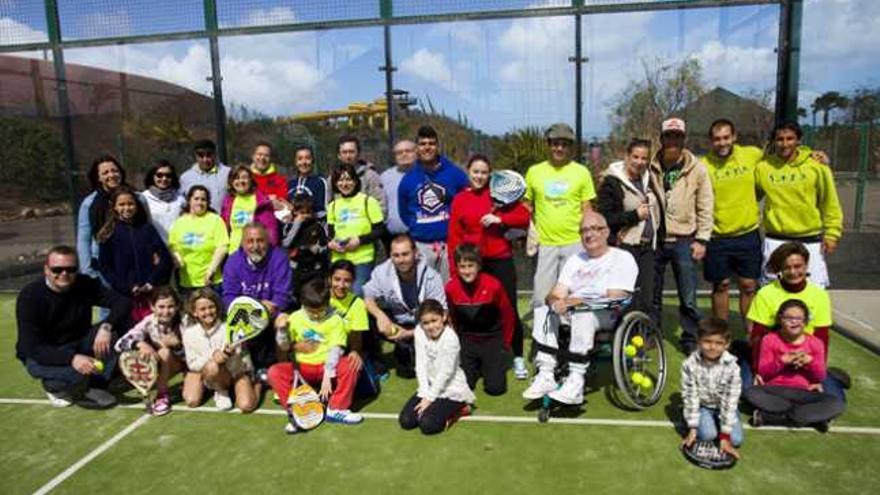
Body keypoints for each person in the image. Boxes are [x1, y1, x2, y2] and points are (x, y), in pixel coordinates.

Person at [523, 212, 638, 405]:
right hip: (574, 309)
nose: (589, 234)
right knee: (543, 310)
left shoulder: (621, 257)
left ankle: (575, 381)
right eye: (584, 230)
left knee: (582, 315)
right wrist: (555, 302)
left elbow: (616, 298)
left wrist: (577, 303)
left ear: (606, 232)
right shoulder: (576, 259)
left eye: (594, 229)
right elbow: (556, 292)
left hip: (607, 313)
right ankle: (546, 374)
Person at [447, 154, 531, 379]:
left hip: (500, 259)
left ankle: (517, 356)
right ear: (468, 172)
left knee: (509, 308)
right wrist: (456, 271)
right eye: (475, 172)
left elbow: (524, 217)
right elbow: (454, 238)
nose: (479, 176)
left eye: (484, 172)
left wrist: (500, 220)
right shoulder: (460, 200)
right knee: (477, 312)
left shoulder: (498, 194)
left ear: (490, 174)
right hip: (473, 265)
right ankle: (481, 356)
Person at [16, 246, 131, 408]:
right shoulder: (30, 296)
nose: (64, 274)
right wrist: (72, 359)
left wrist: (107, 326)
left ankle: (97, 384)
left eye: (71, 269)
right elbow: (32, 347)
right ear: (46, 270)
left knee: (114, 331)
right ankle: (53, 386)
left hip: (78, 344)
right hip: (42, 355)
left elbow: (122, 302)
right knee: (77, 374)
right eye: (57, 269)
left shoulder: (84, 284)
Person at [745, 242, 844, 401]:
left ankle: (832, 377)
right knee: (747, 391)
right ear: (780, 270)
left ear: (806, 266)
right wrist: (758, 370)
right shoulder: (765, 293)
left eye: (798, 266)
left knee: (836, 398)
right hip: (772, 359)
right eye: (787, 267)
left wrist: (816, 375)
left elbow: (822, 336)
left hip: (806, 358)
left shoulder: (819, 295)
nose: (793, 272)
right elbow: (758, 335)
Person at [649, 117, 713, 354]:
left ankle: (690, 339)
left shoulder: (697, 168)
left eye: (677, 136)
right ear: (662, 138)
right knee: (651, 293)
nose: (672, 140)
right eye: (668, 136)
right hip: (655, 239)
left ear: (683, 139)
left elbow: (706, 205)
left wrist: (702, 239)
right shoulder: (649, 165)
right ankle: (651, 335)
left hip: (685, 239)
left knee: (688, 296)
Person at [756, 121, 843, 288]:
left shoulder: (816, 166)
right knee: (774, 292)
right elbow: (752, 195)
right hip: (776, 240)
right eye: (780, 139)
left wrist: (832, 233)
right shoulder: (763, 168)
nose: (785, 143)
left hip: (810, 241)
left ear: (798, 141)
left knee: (813, 292)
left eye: (790, 138)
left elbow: (830, 202)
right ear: (774, 141)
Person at [269, 278, 364, 431]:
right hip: (301, 368)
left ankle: (336, 409)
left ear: (327, 303)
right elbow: (285, 346)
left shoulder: (335, 320)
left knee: (350, 365)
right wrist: (281, 331)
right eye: (311, 312)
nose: (316, 316)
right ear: (303, 304)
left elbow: (336, 349)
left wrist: (328, 375)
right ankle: (297, 413)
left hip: (326, 367)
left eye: (321, 311)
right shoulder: (294, 318)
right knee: (274, 372)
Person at [524, 123, 597, 309]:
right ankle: (542, 337)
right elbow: (526, 206)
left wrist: (589, 237)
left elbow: (587, 208)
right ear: (548, 145)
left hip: (575, 242)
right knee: (542, 295)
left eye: (564, 144)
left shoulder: (582, 172)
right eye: (555, 143)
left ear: (570, 147)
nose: (559, 148)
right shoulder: (534, 172)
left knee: (573, 294)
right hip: (545, 244)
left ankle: (570, 335)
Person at [746, 299, 845, 430]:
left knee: (836, 404)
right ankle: (812, 418)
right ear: (780, 319)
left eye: (799, 318)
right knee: (751, 393)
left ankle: (773, 418)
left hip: (804, 392)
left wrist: (809, 362)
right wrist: (783, 360)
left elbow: (820, 377)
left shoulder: (816, 343)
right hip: (774, 391)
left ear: (805, 321)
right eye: (789, 318)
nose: (794, 322)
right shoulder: (769, 339)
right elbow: (763, 372)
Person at [363, 234, 447, 378]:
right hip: (396, 321)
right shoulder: (382, 271)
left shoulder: (432, 277)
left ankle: (410, 349)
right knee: (363, 315)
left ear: (416, 253)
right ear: (390, 256)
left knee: (411, 372)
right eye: (396, 255)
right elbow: (367, 297)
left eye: (405, 254)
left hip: (422, 325)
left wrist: (407, 334)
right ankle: (378, 367)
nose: (401, 260)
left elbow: (442, 316)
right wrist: (380, 315)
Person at [597, 138, 661, 314]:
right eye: (635, 157)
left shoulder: (649, 179)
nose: (639, 162)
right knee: (625, 298)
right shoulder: (611, 182)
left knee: (647, 299)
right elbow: (605, 218)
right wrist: (634, 216)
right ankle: (621, 338)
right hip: (624, 247)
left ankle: (644, 337)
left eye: (643, 158)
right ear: (627, 156)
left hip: (648, 248)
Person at [398, 125, 469, 279]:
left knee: (451, 292)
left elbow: (467, 201)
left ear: (437, 146)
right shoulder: (408, 179)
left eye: (431, 143)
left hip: (450, 244)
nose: (427, 147)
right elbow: (404, 212)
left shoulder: (455, 174)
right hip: (421, 245)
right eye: (423, 144)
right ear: (417, 148)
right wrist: (418, 226)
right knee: (424, 293)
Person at [445, 243, 515, 396]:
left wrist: (505, 343)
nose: (467, 271)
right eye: (462, 266)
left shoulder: (494, 285)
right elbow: (452, 315)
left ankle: (489, 364)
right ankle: (475, 366)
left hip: (491, 339)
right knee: (465, 386)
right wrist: (458, 341)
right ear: (456, 267)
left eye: (471, 266)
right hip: (468, 339)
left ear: (479, 265)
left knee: (495, 389)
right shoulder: (451, 287)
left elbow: (507, 315)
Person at [222, 222, 292, 374]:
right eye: (250, 241)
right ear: (242, 243)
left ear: (267, 241)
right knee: (235, 325)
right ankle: (248, 373)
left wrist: (268, 309)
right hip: (247, 313)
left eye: (260, 240)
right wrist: (256, 307)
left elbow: (283, 295)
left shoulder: (279, 257)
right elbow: (228, 297)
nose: (255, 246)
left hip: (274, 310)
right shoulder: (233, 262)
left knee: (283, 323)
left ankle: (283, 371)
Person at [96, 186, 173, 322]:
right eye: (122, 204)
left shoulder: (147, 229)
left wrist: (152, 282)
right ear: (114, 207)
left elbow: (165, 258)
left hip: (150, 294)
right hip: (125, 295)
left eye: (130, 204)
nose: (127, 208)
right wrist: (127, 286)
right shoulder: (108, 233)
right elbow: (105, 266)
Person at [399, 299, 475, 435]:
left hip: (450, 388)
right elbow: (420, 364)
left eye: (434, 320)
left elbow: (445, 373)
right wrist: (423, 392)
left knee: (428, 426)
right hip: (429, 386)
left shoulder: (451, 338)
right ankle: (434, 405)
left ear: (443, 317)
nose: (430, 326)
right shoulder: (419, 332)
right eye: (426, 323)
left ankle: (461, 408)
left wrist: (429, 399)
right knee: (406, 421)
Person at [181, 288, 257, 412]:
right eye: (202, 309)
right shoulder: (189, 333)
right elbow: (192, 364)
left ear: (217, 307)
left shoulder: (230, 328)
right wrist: (213, 357)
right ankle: (218, 389)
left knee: (246, 406)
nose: (208, 312)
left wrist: (229, 354)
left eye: (211, 307)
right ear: (194, 312)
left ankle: (256, 384)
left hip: (234, 373)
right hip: (204, 372)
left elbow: (240, 356)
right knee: (191, 400)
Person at [114, 286, 186, 416]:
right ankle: (162, 394)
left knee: (192, 398)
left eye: (170, 306)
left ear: (177, 307)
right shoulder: (149, 322)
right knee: (163, 352)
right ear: (152, 307)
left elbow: (195, 353)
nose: (166, 311)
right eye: (161, 307)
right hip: (166, 363)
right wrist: (139, 343)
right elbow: (119, 344)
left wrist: (178, 346)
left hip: (189, 364)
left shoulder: (185, 321)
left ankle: (165, 391)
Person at [680, 318, 743, 460]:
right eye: (707, 341)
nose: (712, 347)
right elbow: (690, 396)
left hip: (724, 406)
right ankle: (695, 421)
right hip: (702, 407)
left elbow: (730, 400)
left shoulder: (733, 367)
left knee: (736, 440)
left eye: (719, 343)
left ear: (727, 344)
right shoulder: (689, 365)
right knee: (707, 435)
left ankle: (729, 419)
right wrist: (693, 428)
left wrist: (725, 435)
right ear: (699, 342)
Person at [327, 162, 385, 296]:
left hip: (362, 258)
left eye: (348, 179)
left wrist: (359, 240)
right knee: (338, 293)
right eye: (340, 180)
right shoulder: (333, 206)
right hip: (339, 258)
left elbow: (379, 230)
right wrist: (331, 243)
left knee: (358, 292)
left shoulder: (368, 202)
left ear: (355, 181)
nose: (344, 184)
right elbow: (330, 234)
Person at [168, 186, 229, 296]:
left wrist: (211, 270)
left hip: (211, 281)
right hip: (187, 282)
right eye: (196, 199)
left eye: (203, 199)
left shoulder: (215, 220)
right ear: (189, 200)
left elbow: (222, 247)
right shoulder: (179, 222)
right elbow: (172, 246)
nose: (200, 202)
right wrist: (177, 259)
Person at [77, 154, 127, 278]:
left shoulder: (137, 198)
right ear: (98, 178)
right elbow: (84, 239)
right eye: (105, 173)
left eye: (114, 170)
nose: (111, 175)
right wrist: (87, 270)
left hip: (132, 262)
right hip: (102, 265)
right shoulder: (89, 203)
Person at [221, 165, 279, 253]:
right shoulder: (228, 202)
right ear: (231, 182)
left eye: (244, 177)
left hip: (255, 254)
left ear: (251, 180)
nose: (241, 181)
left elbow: (271, 232)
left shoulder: (261, 201)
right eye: (236, 178)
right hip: (233, 255)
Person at [280, 195, 329, 300]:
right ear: (295, 212)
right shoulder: (289, 226)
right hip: (295, 268)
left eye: (308, 213)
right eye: (301, 213)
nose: (305, 216)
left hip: (313, 268)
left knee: (312, 295)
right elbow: (286, 243)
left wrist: (317, 248)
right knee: (295, 296)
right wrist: (296, 224)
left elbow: (324, 246)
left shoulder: (316, 226)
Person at [329, 260, 369, 372]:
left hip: (343, 348)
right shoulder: (320, 297)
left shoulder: (357, 303)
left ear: (353, 282)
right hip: (320, 346)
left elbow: (356, 336)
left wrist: (355, 351)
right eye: (337, 279)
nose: (341, 285)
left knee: (352, 365)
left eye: (347, 281)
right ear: (329, 279)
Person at [337, 134, 387, 216]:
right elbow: (329, 205)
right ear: (339, 155)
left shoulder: (370, 176)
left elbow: (381, 204)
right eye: (344, 152)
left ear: (358, 154)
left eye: (351, 152)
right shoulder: (333, 178)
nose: (348, 156)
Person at [380, 139, 416, 252]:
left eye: (408, 151)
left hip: (418, 235)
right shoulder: (384, 177)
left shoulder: (426, 175)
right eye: (399, 152)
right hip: (391, 235)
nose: (404, 154)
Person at [180, 139, 230, 213]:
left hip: (222, 222)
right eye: (201, 155)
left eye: (209, 155)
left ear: (215, 154)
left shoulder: (228, 173)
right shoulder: (185, 178)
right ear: (195, 156)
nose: (205, 159)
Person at [142, 159, 185, 243]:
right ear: (152, 176)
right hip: (155, 248)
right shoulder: (144, 198)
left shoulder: (180, 198)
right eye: (159, 175)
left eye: (168, 175)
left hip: (178, 247)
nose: (164, 178)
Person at [287, 145, 330, 220]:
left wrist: (307, 216)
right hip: (292, 228)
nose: (304, 162)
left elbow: (324, 211)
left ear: (312, 160)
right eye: (300, 159)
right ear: (296, 162)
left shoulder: (320, 182)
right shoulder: (290, 184)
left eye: (307, 158)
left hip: (312, 228)